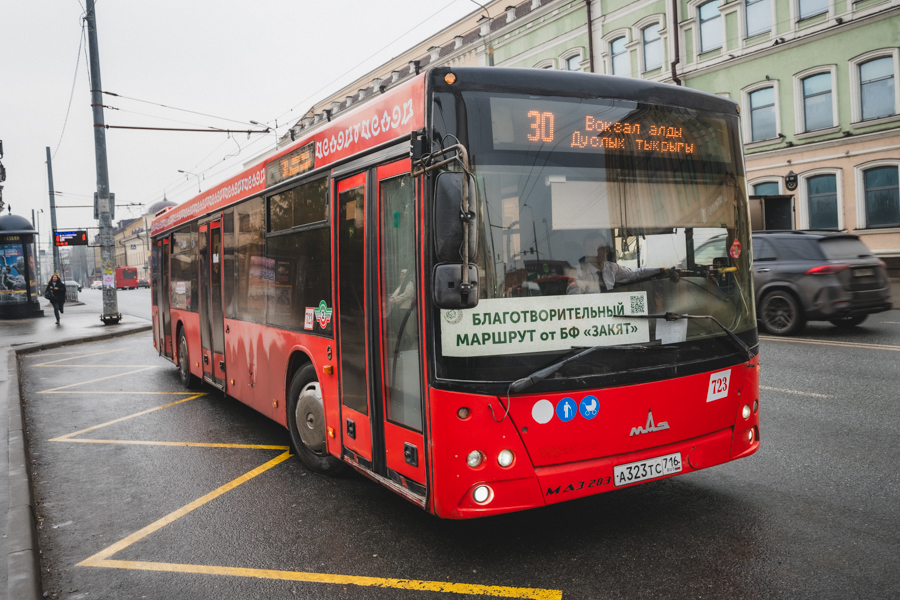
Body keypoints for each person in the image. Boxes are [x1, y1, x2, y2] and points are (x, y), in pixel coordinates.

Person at [567, 233, 668, 294]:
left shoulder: (612, 268)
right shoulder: (578, 273)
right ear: (585, 251)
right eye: (590, 248)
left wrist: (661, 270)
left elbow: (636, 273)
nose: (595, 252)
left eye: (600, 248)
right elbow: (574, 301)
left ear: (606, 250)